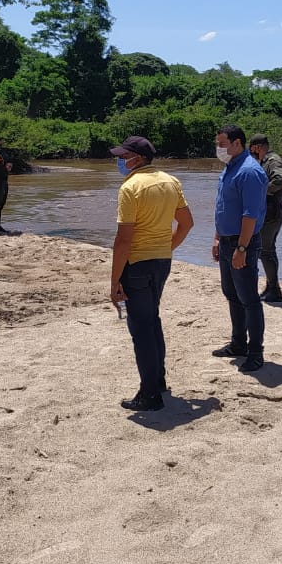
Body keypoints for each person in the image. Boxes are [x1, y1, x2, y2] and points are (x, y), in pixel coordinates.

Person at [108, 136, 194, 412]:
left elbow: (123, 240)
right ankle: (158, 382)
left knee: (141, 329)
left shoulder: (130, 187)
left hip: (137, 265)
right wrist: (167, 247)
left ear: (138, 159)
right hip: (161, 262)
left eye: (124, 156)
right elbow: (187, 223)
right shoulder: (171, 181)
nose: (120, 161)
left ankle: (150, 395)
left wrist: (114, 282)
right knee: (152, 322)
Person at [212, 124, 267, 372]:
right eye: (217, 144)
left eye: (222, 143)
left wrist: (242, 248)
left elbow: (250, 215)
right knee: (231, 294)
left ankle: (255, 353)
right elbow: (223, 207)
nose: (218, 148)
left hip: (242, 243)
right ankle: (238, 344)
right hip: (226, 241)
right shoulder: (229, 168)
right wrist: (216, 238)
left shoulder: (250, 172)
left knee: (249, 299)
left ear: (237, 143)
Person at [248, 134, 282, 303]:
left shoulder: (273, 160)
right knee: (266, 250)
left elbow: (280, 180)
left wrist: (262, 192)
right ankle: (271, 287)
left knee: (266, 251)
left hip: (272, 212)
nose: (252, 153)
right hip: (268, 211)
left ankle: (275, 290)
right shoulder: (265, 162)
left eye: (252, 150)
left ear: (258, 147)